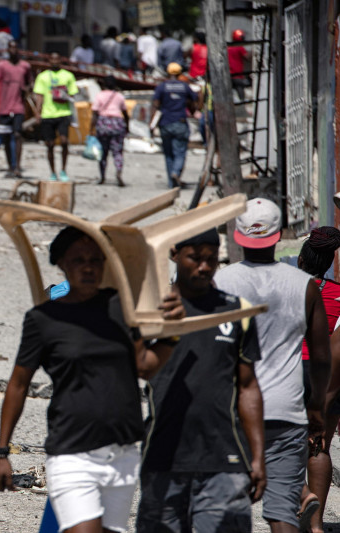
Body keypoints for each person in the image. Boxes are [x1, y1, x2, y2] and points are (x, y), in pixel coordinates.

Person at [0, 226, 183, 533]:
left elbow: (144, 367)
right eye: (78, 259)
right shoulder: (43, 319)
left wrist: (172, 333)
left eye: (95, 259)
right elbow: (17, 384)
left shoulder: (121, 308)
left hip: (122, 454)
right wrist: (2, 452)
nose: (88, 266)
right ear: (61, 264)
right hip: (72, 453)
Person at [213, 198, 332, 533]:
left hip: (232, 410)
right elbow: (321, 358)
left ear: (237, 236)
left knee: (229, 506)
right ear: (278, 235)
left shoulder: (221, 283)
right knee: (282, 509)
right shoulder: (304, 286)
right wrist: (316, 407)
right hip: (287, 409)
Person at [136, 229, 266, 532]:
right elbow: (132, 369)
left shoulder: (238, 311)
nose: (204, 267)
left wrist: (257, 457)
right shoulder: (151, 311)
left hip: (225, 458)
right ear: (174, 255)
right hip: (163, 456)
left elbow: (248, 387)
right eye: (195, 258)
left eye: (211, 259)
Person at [296, 227, 340, 533]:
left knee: (279, 443)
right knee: (320, 446)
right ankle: (316, 525)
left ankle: (301, 496)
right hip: (330, 376)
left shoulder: (289, 289)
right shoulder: (338, 294)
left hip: (294, 370)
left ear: (301, 258)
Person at [0, 40, 33, 178]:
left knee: (17, 135)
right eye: (11, 48)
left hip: (18, 107)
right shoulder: (1, 66)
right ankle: (10, 167)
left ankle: (17, 166)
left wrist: (27, 90)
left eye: (15, 48)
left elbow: (31, 83)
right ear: (7, 50)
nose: (13, 51)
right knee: (5, 138)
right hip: (3, 108)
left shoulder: (25, 66)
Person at [32, 53, 78, 181]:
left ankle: (63, 170)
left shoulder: (68, 76)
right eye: (52, 59)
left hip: (64, 113)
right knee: (50, 144)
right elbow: (39, 95)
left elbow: (73, 94)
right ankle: (53, 172)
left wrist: (63, 94)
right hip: (48, 114)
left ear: (61, 60)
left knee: (64, 142)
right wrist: (37, 112)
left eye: (57, 59)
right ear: (49, 60)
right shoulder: (42, 76)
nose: (55, 61)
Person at [152, 63, 198, 188]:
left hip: (165, 124)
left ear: (167, 73)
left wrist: (151, 125)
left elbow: (155, 105)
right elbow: (193, 102)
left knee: (168, 154)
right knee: (180, 152)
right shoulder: (185, 86)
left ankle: (171, 183)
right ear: (179, 74)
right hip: (180, 122)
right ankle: (176, 172)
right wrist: (193, 112)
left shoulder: (162, 87)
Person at [90, 75, 129, 186]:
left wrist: (91, 129)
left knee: (102, 152)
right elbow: (125, 114)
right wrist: (127, 127)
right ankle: (119, 172)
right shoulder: (119, 96)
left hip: (103, 124)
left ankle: (102, 177)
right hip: (117, 123)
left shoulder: (99, 96)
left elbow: (94, 114)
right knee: (117, 152)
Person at [228, 30, 251, 100]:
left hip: (230, 75)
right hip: (238, 76)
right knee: (241, 95)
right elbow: (247, 57)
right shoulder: (239, 48)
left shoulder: (228, 47)